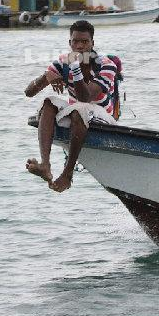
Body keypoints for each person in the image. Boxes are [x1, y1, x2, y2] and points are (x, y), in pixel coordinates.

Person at [24, 20, 118, 192]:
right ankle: (45, 165)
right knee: (48, 102)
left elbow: (85, 97)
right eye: (75, 41)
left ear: (92, 43)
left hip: (103, 117)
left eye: (84, 42)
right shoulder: (62, 62)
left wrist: (75, 67)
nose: (80, 46)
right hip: (78, 115)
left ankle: (67, 174)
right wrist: (46, 77)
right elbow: (29, 92)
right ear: (70, 43)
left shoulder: (106, 65)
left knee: (79, 108)